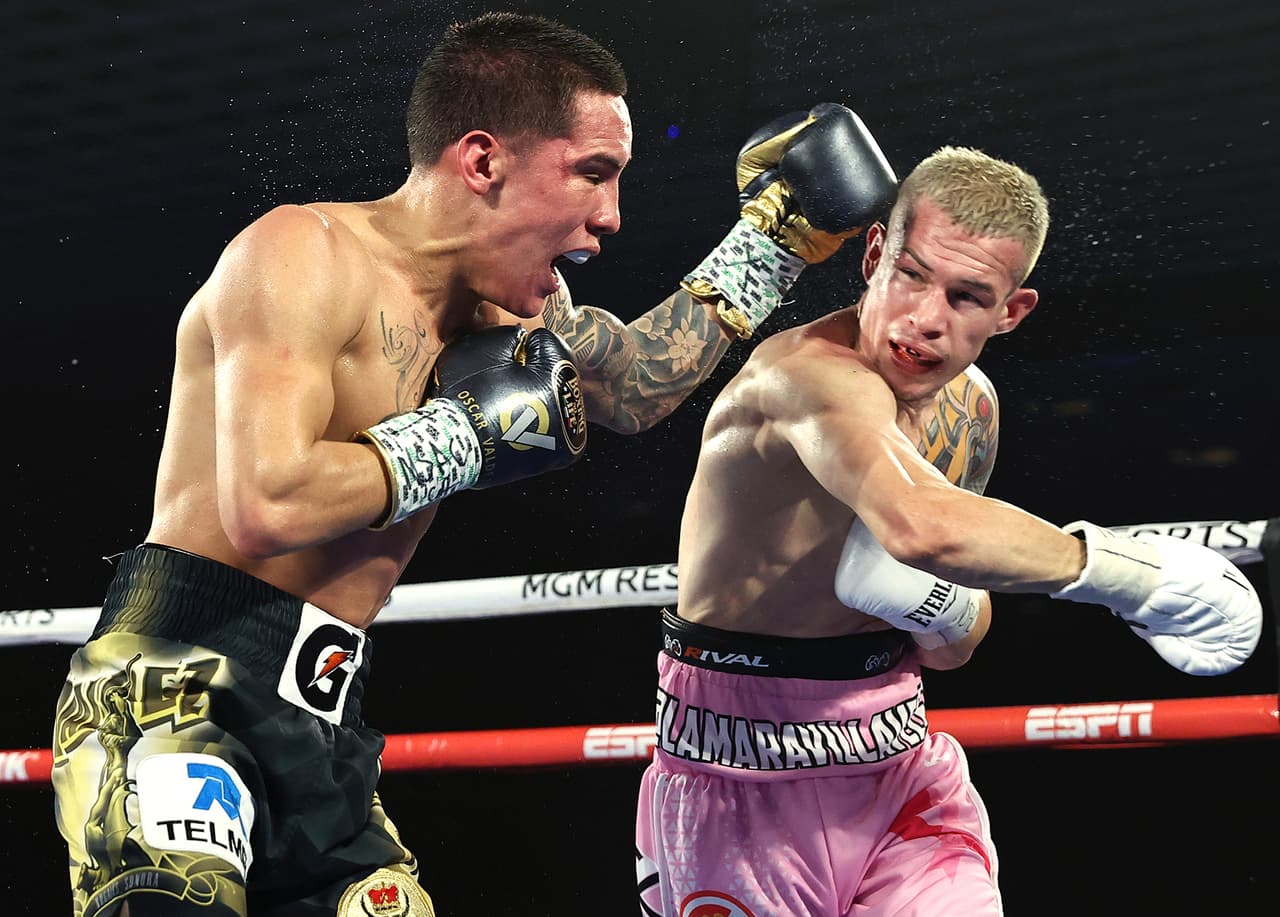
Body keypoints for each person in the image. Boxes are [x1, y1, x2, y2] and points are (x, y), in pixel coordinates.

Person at [49, 12, 899, 917]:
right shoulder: (299, 254)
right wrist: (460, 437)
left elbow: (633, 387)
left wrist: (768, 244)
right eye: (593, 174)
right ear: (483, 160)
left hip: (325, 722)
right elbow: (266, 501)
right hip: (177, 687)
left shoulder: (515, 318)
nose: (609, 217)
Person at [635, 145, 1262, 916]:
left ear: (1011, 311)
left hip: (900, 756)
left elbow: (955, 641)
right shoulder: (802, 377)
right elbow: (920, 524)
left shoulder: (974, 411)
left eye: (968, 297)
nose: (925, 321)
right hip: (739, 771)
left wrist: (936, 607)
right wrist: (1138, 576)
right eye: (911, 274)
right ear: (873, 255)